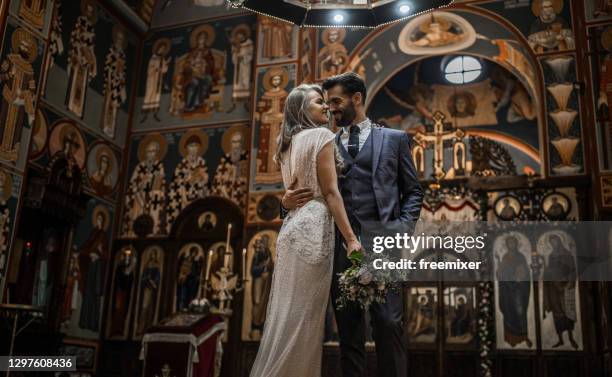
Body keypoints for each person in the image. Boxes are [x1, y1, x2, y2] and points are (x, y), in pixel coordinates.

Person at [280, 72, 423, 377]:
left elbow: (413, 191)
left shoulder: (395, 140)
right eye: (326, 102)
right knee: (348, 330)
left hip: (385, 244)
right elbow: (303, 192)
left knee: (388, 324)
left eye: (336, 101)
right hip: (339, 248)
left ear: (356, 98)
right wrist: (285, 204)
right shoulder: (323, 142)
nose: (330, 108)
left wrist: (402, 229)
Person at [249, 83, 363, 377]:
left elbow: (293, 191)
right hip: (314, 226)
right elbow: (331, 193)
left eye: (326, 102)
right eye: (318, 102)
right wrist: (351, 239)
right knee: (305, 322)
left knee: (287, 316)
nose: (326, 107)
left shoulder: (286, 144)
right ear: (301, 109)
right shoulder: (322, 135)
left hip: (291, 228)